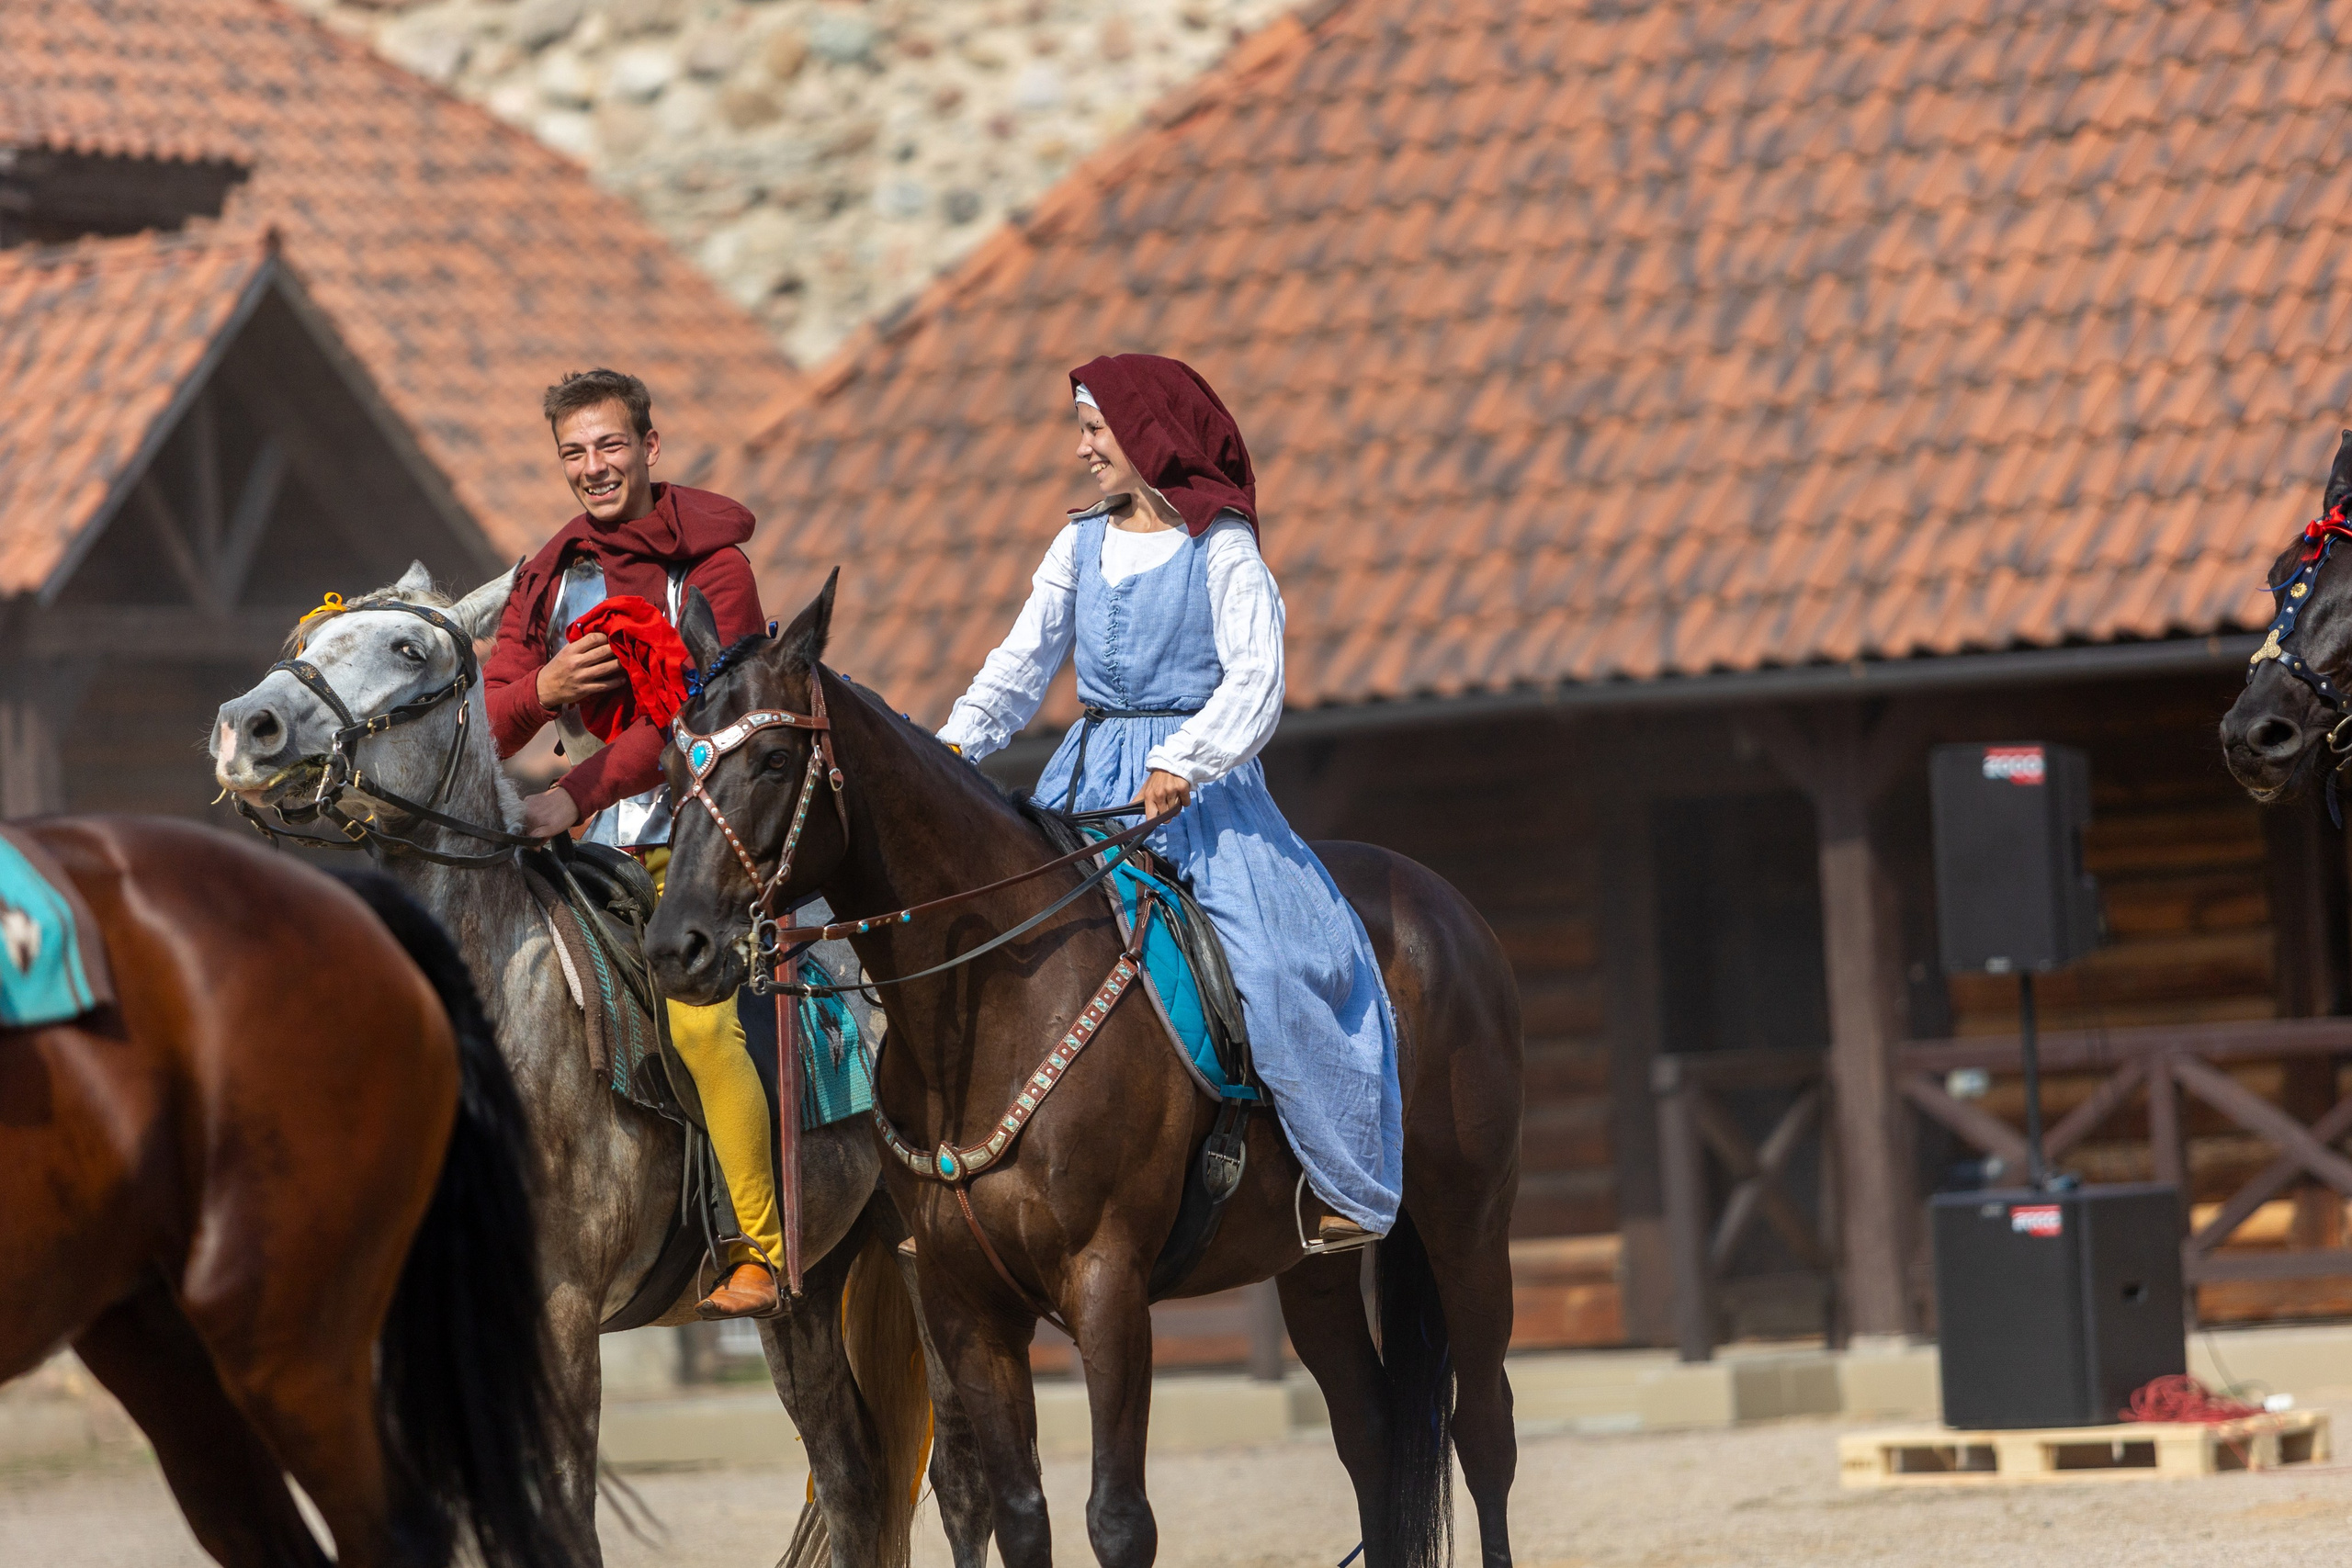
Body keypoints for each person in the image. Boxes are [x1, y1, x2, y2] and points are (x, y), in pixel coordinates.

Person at [938, 354, 1401, 1246]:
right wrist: (953, 748)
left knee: (1269, 964)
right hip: (1083, 781)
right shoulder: (1078, 543)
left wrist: (1186, 760)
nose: (1081, 449)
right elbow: (1020, 664)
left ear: (1145, 432)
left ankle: (1324, 1175)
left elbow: (1258, 677)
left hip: (1200, 793)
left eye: (1093, 428)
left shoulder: (1220, 544)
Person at [484, 367, 786, 1319]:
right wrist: (547, 690)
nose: (592, 468)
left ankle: (757, 1245)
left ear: (650, 449)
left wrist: (569, 796)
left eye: (609, 445)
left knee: (698, 1020)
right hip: (581, 835)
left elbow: (707, 720)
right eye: (573, 453)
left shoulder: (715, 570)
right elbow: (485, 721)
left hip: (702, 832)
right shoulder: (550, 576)